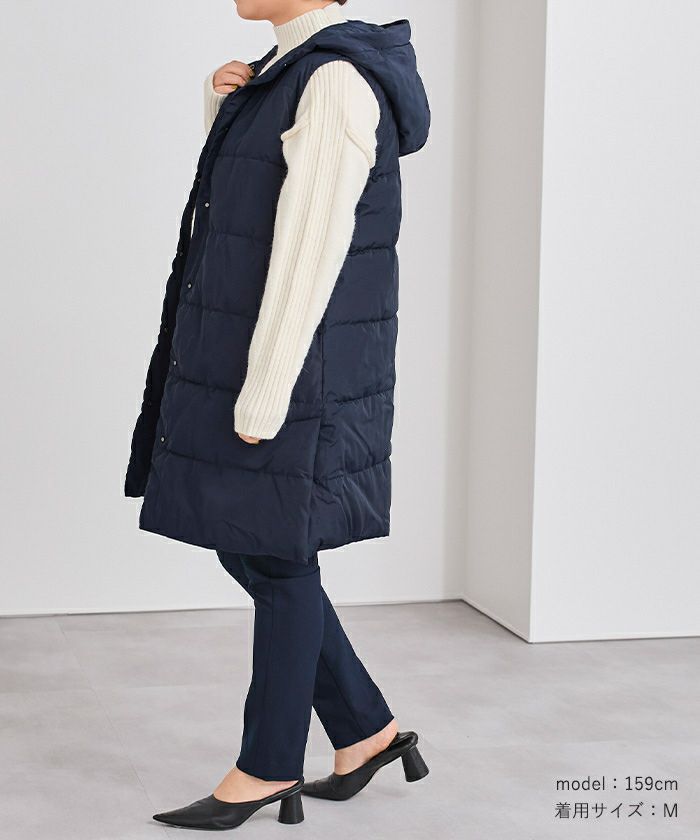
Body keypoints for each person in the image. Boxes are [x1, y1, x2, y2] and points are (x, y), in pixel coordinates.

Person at [125, 0, 430, 830]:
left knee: (279, 559)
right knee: (257, 548)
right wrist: (223, 110)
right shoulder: (281, 75)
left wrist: (265, 391)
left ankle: (266, 767)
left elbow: (309, 254)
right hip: (265, 355)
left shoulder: (332, 82)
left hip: (299, 368)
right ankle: (366, 730)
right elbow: (245, 216)